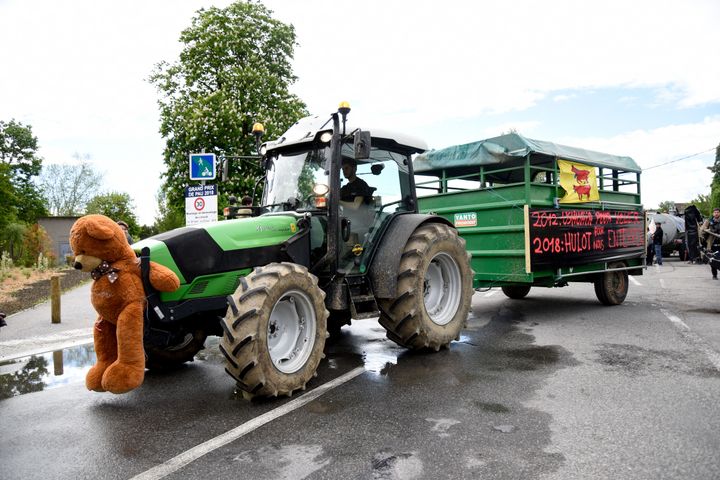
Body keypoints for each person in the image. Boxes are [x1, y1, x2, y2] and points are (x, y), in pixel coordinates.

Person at [702, 207, 720, 278]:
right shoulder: (709, 221)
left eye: (718, 212)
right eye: (715, 212)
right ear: (713, 213)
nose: (716, 213)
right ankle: (714, 275)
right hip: (711, 245)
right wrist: (708, 230)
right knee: (713, 260)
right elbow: (702, 230)